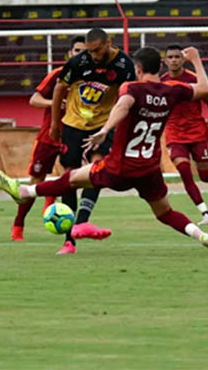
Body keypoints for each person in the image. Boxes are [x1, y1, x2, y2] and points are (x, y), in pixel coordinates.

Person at [0, 46, 208, 255]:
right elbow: (204, 88)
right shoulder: (172, 90)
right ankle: (201, 236)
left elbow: (123, 105)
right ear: (159, 66)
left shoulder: (132, 87)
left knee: (72, 178)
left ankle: (26, 191)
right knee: (165, 213)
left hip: (119, 166)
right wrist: (196, 59)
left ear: (138, 68)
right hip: (149, 168)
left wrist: (105, 129)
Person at [48, 28, 136, 254]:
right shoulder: (78, 62)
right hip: (73, 125)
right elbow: (60, 87)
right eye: (91, 51)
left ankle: (82, 222)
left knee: (97, 169)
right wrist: (55, 124)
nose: (94, 56)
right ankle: (69, 240)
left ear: (109, 43)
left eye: (97, 50)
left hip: (102, 126)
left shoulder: (124, 65)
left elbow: (130, 96)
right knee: (69, 174)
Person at [9, 36, 87, 241]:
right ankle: (19, 224)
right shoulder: (58, 75)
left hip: (75, 135)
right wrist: (54, 102)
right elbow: (34, 100)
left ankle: (69, 227)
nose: (81, 55)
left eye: (85, 51)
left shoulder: (93, 78)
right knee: (35, 180)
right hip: (49, 136)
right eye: (77, 50)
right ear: (70, 54)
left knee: (73, 179)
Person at [161, 44, 208, 225]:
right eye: (170, 57)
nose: (173, 60)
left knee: (206, 176)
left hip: (197, 131)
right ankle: (205, 213)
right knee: (184, 171)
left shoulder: (194, 79)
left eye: (177, 57)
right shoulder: (161, 82)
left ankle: (207, 165)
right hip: (174, 133)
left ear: (183, 59)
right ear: (165, 61)